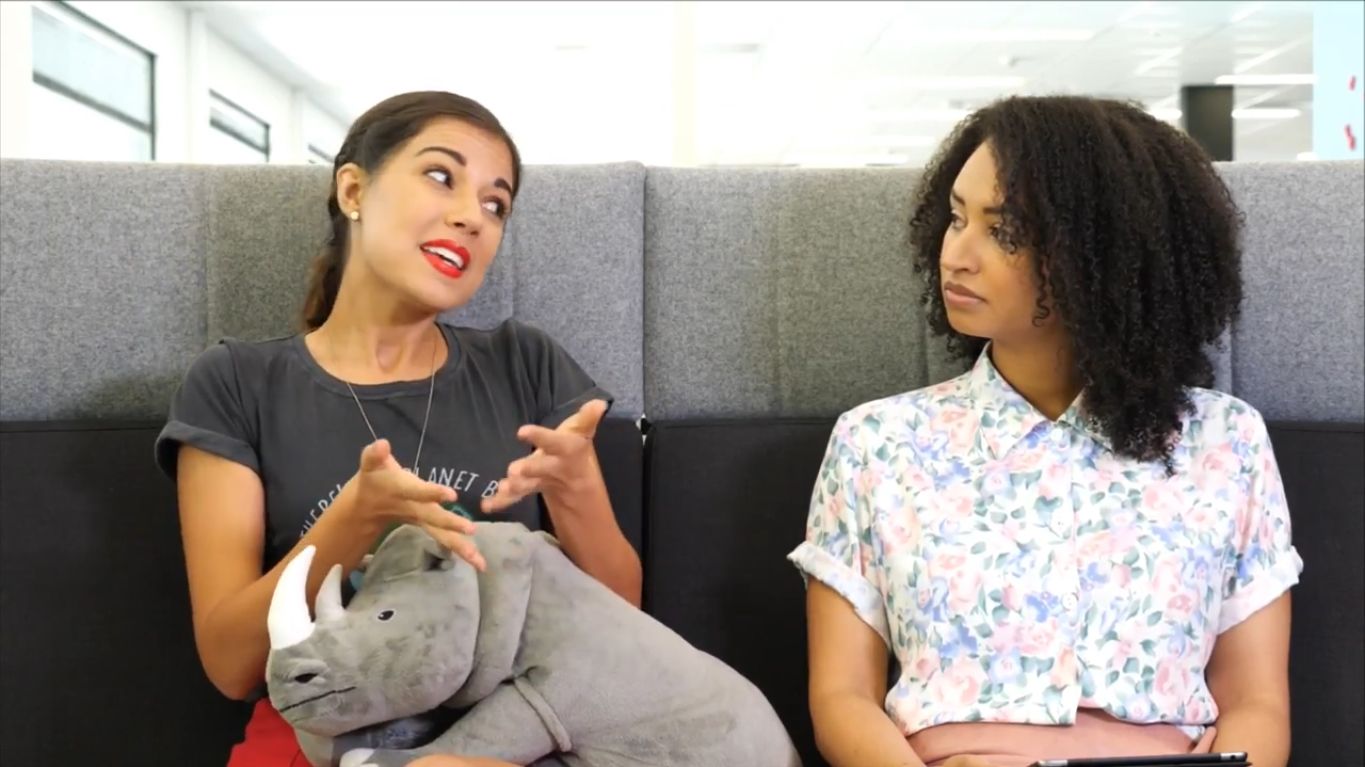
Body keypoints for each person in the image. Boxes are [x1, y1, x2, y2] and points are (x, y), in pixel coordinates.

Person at [790, 95, 1302, 767]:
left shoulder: (1225, 441)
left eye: (1003, 231)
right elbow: (841, 699)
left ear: (1102, 257)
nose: (955, 255)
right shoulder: (876, 443)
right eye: (956, 217)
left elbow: (1257, 705)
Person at [155, 90, 642, 767]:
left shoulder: (524, 363)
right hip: (332, 729)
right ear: (353, 189)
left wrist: (577, 489)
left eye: (495, 204)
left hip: (512, 731)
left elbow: (622, 628)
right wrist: (354, 519)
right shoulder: (236, 382)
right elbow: (231, 663)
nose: (472, 216)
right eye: (441, 175)